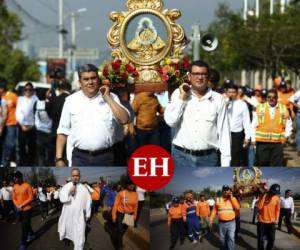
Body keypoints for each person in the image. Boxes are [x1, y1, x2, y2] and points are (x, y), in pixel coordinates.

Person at [56, 64, 129, 166]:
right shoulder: (70, 101)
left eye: (93, 78)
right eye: (86, 79)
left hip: (105, 157)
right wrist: (59, 159)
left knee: (106, 182)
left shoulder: (112, 97)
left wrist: (107, 98)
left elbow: (124, 119)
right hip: (79, 158)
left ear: (98, 80)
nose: (90, 82)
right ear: (80, 82)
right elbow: (62, 132)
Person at [164, 60, 231, 167]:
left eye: (203, 74)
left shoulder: (218, 99)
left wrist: (226, 163)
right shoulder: (179, 93)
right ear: (189, 76)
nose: (200, 77)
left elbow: (224, 132)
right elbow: (171, 122)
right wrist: (182, 99)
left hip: (208, 159)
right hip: (181, 157)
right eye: (196, 74)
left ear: (208, 77)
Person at [252, 89, 292, 166]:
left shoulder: (283, 109)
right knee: (262, 164)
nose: (271, 99)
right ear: (266, 98)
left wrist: (286, 137)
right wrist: (253, 139)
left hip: (277, 143)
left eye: (273, 97)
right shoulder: (260, 108)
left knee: (276, 165)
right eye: (269, 97)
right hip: (262, 143)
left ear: (277, 98)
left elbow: (289, 125)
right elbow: (253, 125)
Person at [58, 168, 91, 250]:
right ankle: (67, 239)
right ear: (71, 176)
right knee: (67, 230)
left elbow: (88, 201)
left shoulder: (84, 188)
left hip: (79, 216)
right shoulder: (66, 186)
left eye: (77, 175)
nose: (75, 177)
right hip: (68, 215)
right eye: (73, 176)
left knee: (79, 235)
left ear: (80, 177)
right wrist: (69, 192)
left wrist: (88, 214)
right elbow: (62, 198)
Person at [225, 83, 251, 166]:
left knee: (235, 157)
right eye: (229, 92)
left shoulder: (242, 104)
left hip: (237, 134)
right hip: (225, 133)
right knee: (225, 155)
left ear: (237, 93)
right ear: (226, 92)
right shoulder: (224, 102)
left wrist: (247, 137)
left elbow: (246, 121)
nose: (231, 94)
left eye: (233, 92)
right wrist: (226, 102)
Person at [210, 185, 240, 250]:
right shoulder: (218, 200)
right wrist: (211, 220)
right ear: (222, 191)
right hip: (221, 223)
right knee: (222, 238)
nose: (226, 191)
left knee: (231, 237)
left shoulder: (233, 199)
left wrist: (231, 197)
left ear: (229, 191)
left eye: (227, 189)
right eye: (224, 190)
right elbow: (214, 210)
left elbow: (237, 208)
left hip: (231, 222)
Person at [16, 82, 38, 166]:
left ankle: (30, 164)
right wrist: (22, 125)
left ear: (32, 90)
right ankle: (22, 163)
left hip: (32, 127)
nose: (28, 91)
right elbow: (18, 113)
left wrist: (32, 125)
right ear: (23, 90)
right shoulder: (20, 99)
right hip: (22, 127)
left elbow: (36, 114)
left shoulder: (36, 99)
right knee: (21, 147)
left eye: (30, 89)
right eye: (26, 89)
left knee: (32, 148)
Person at [112, 179, 138, 250]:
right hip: (120, 214)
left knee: (123, 231)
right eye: (130, 184)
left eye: (133, 184)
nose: (132, 186)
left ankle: (117, 238)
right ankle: (119, 247)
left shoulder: (135, 194)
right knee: (120, 231)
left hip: (129, 215)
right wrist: (114, 215)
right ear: (127, 185)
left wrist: (135, 215)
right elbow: (115, 205)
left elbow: (136, 206)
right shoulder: (121, 193)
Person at [12, 171, 34, 250]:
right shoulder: (14, 186)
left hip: (27, 209)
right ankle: (31, 233)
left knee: (24, 227)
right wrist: (17, 206)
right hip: (18, 209)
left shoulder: (27, 185)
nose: (14, 178)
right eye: (14, 177)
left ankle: (23, 243)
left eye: (16, 177)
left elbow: (31, 198)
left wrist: (21, 205)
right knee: (25, 224)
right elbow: (13, 198)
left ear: (21, 177)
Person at [256, 183, 281, 250]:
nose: (274, 194)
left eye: (276, 193)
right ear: (270, 190)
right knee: (260, 240)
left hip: (272, 222)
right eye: (273, 192)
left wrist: (277, 219)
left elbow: (277, 210)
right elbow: (259, 207)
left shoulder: (277, 198)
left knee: (271, 239)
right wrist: (264, 196)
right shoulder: (262, 196)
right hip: (262, 222)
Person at [0, 78, 18, 167]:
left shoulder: (12, 96)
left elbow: (19, 109)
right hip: (1, 125)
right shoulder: (1, 97)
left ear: (2, 88)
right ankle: (4, 162)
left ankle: (7, 162)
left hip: (11, 124)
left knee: (10, 144)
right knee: (3, 144)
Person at [34, 89, 54, 166]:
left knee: (40, 154)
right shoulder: (48, 103)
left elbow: (34, 114)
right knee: (50, 154)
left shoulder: (36, 103)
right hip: (49, 131)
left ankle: (41, 166)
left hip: (39, 130)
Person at [289, 90, 300, 156]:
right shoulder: (299, 92)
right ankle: (299, 149)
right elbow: (291, 100)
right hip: (299, 114)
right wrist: (298, 106)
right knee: (299, 132)